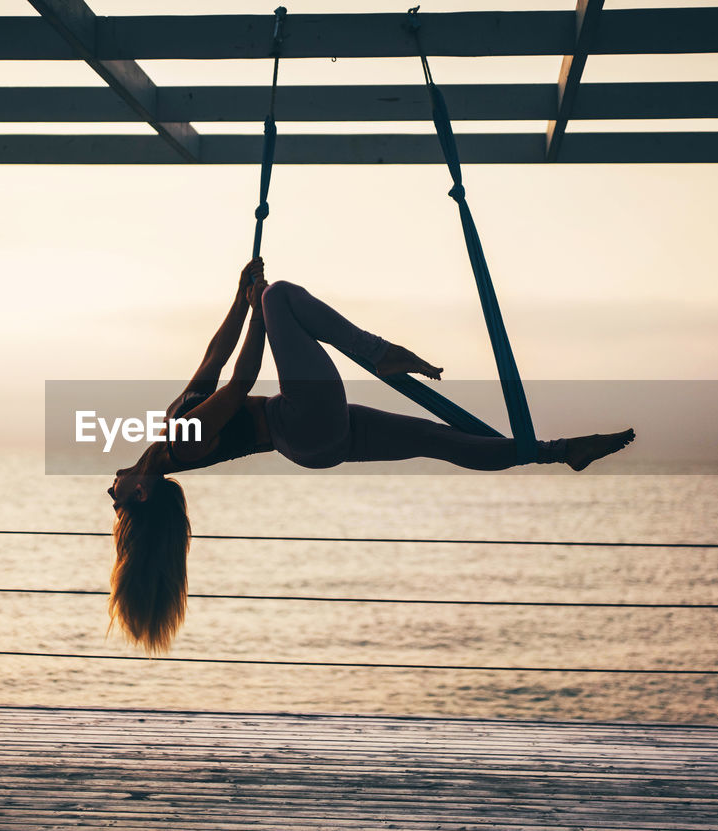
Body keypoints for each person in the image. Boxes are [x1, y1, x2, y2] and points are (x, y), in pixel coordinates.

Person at [107, 258, 634, 653]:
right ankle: (379, 352)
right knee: (282, 298)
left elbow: (213, 359)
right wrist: (258, 310)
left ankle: (560, 452)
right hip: (300, 420)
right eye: (117, 503)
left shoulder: (169, 434)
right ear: (142, 491)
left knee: (438, 440)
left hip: (308, 435)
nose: (110, 493)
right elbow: (242, 377)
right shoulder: (183, 440)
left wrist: (238, 297)